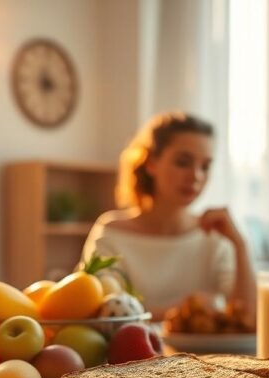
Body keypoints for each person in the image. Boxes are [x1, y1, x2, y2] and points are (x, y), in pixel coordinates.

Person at [81, 111, 255, 319]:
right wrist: (183, 311)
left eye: (205, 166)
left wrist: (240, 246)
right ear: (151, 163)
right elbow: (97, 310)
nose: (196, 176)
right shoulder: (111, 233)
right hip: (135, 352)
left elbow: (248, 317)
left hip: (209, 353)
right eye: (183, 162)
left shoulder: (215, 235)